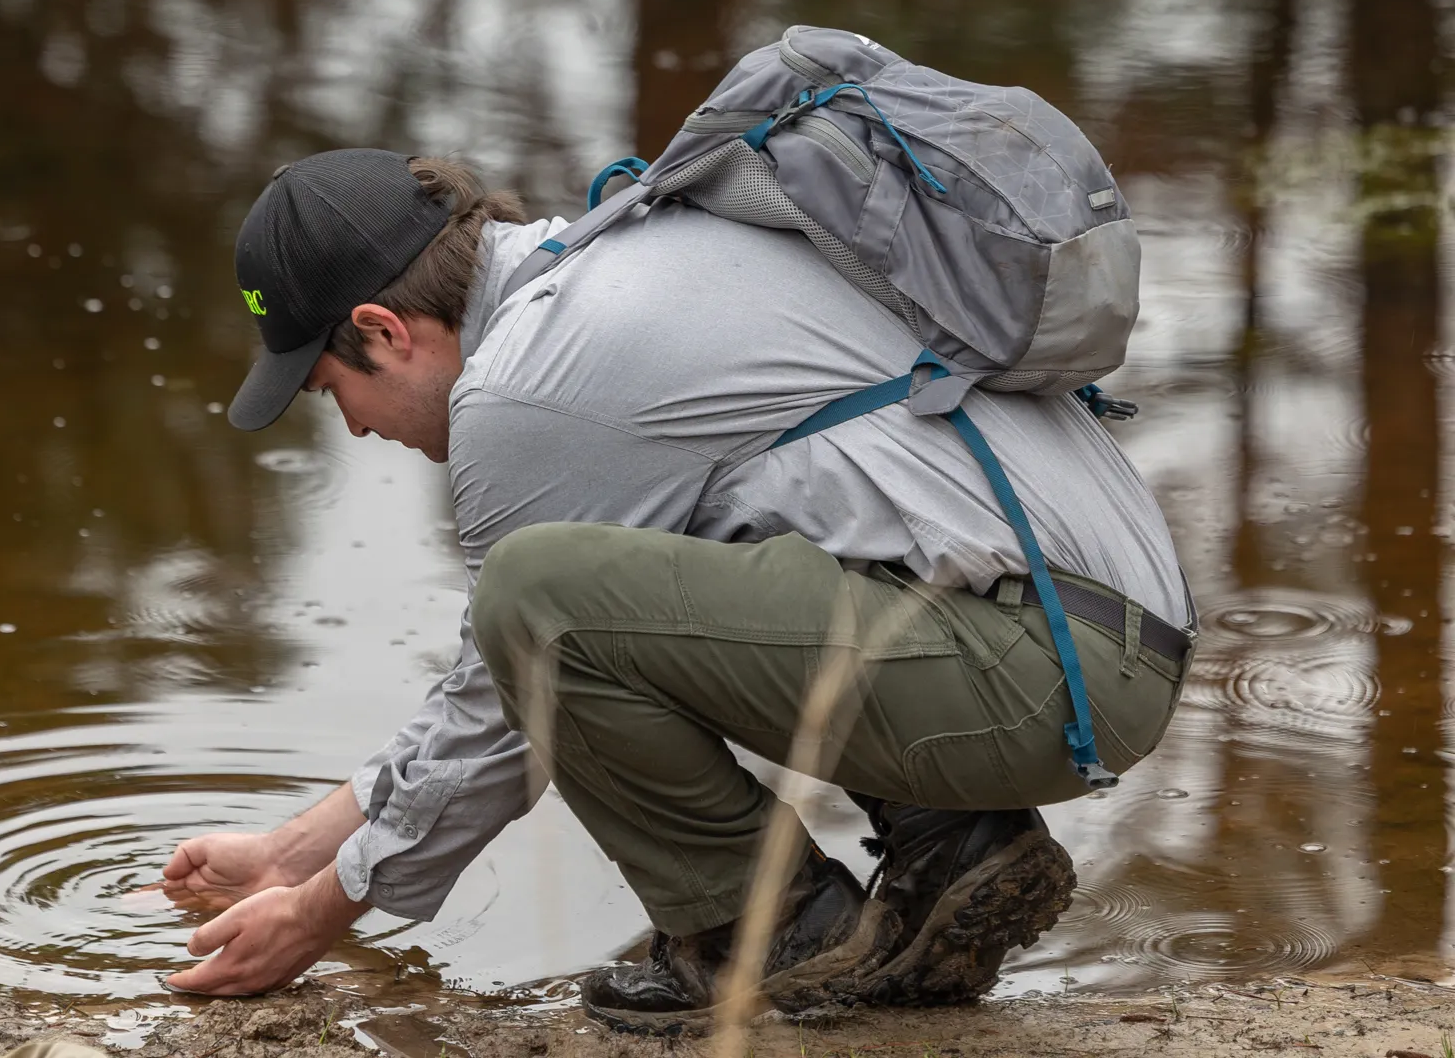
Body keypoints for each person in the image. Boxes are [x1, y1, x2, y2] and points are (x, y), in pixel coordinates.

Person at [161, 148, 1192, 1031]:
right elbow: (494, 684)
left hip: (1051, 668)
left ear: (384, 330)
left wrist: (316, 913)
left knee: (537, 595)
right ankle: (953, 842)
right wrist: (294, 850)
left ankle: (761, 931)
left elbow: (506, 703)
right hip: (1089, 630)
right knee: (629, 580)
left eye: (331, 389)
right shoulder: (613, 263)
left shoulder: (526, 389)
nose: (352, 425)